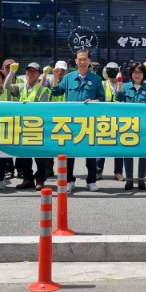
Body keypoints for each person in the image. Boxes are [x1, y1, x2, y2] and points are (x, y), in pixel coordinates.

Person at [50, 49, 105, 193]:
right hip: (70, 122)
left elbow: (102, 98)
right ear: (75, 61)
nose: (82, 61)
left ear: (89, 61)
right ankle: (69, 180)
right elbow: (56, 92)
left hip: (89, 121)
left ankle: (91, 181)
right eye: (79, 59)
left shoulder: (96, 79)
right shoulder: (68, 78)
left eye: (85, 59)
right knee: (69, 153)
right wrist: (55, 77)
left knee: (90, 153)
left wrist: (93, 101)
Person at [4, 61, 51, 190]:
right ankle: (28, 179)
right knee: (24, 156)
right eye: (28, 71)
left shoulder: (43, 90)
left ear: (39, 74)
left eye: (34, 71)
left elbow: (44, 109)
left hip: (37, 127)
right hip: (22, 126)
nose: (31, 73)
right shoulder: (20, 87)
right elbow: (6, 86)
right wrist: (12, 72)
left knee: (40, 156)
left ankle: (40, 180)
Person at [115, 62, 146, 191]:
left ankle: (141, 179)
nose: (137, 75)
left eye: (140, 72)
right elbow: (119, 98)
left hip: (144, 125)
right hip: (128, 125)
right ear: (131, 74)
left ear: (144, 74)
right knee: (129, 152)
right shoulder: (126, 86)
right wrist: (120, 83)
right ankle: (129, 179)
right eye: (135, 72)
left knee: (143, 152)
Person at [97, 61, 124, 182]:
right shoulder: (102, 84)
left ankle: (118, 172)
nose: (112, 72)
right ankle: (98, 171)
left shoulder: (123, 84)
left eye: (114, 70)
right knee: (101, 146)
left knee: (119, 147)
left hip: (119, 120)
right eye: (109, 70)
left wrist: (120, 82)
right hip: (104, 119)